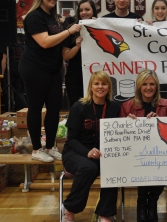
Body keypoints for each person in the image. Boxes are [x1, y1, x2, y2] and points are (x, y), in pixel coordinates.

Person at [18, 0, 81, 163]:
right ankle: (37, 149)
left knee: (54, 109)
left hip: (53, 69)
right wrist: (69, 31)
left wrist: (74, 41)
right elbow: (45, 42)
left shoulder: (53, 17)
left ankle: (51, 146)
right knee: (36, 108)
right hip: (34, 68)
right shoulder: (34, 17)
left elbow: (59, 43)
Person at [62, 71, 120, 222]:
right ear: (90, 87)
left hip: (101, 153)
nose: (100, 87)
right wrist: (87, 152)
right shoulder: (79, 106)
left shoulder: (114, 107)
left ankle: (105, 213)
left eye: (104, 83)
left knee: (112, 168)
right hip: (75, 152)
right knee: (89, 168)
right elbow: (72, 139)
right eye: (96, 83)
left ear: (109, 87)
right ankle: (70, 209)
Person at [120, 69, 167, 222]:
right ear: (139, 86)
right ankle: (142, 203)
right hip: (136, 155)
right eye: (145, 84)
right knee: (144, 165)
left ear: (156, 86)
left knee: (162, 165)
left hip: (162, 153)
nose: (148, 88)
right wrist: (128, 123)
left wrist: (159, 122)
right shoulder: (127, 106)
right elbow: (121, 135)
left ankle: (153, 201)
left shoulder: (166, 105)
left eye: (152, 84)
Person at [63, 0, 97, 108]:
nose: (84, 13)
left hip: (95, 76)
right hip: (75, 76)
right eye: (81, 10)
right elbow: (65, 55)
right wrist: (77, 47)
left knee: (94, 109)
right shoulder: (72, 28)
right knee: (76, 109)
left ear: (93, 11)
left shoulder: (101, 26)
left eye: (87, 9)